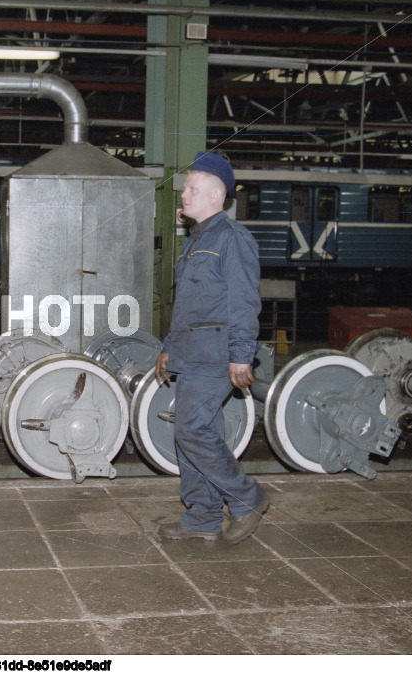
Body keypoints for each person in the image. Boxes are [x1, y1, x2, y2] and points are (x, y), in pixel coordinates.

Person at [154, 151, 268, 544]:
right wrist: (169, 347)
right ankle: (201, 516)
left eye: (191, 188)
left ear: (216, 196)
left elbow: (243, 301)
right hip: (191, 354)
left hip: (216, 355)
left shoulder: (232, 239)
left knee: (192, 432)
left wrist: (241, 353)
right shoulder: (197, 239)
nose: (183, 194)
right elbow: (189, 305)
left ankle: (247, 499)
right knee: (193, 435)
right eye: (186, 188)